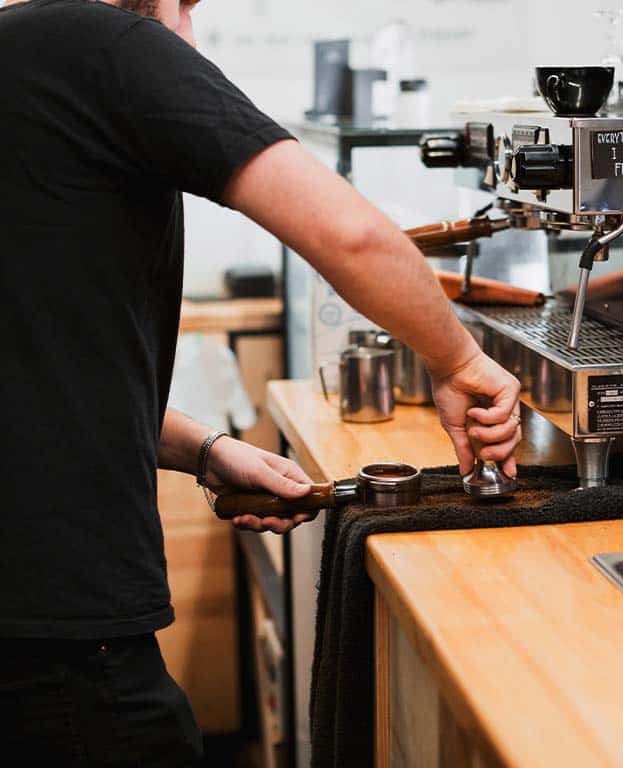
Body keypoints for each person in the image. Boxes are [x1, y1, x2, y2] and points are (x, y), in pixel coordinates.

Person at [0, 0, 522, 764]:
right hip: (50, 629)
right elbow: (351, 235)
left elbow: (37, 373)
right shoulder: (105, 45)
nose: (188, 32)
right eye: (187, 5)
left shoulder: (18, 59)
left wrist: (206, 451)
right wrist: (461, 362)